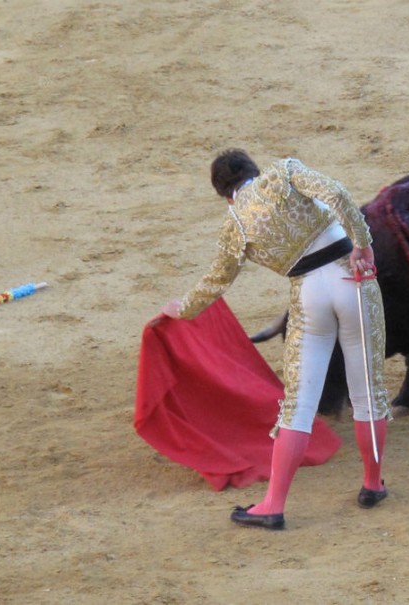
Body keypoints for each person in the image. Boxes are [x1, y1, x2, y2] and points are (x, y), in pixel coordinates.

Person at [162, 149, 390, 530]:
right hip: (352, 278)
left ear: (226, 193)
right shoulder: (283, 172)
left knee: (298, 405)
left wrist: (181, 309)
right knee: (368, 390)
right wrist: (362, 242)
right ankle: (371, 484)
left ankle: (273, 504)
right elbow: (335, 192)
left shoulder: (234, 223)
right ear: (254, 169)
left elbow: (216, 282)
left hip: (308, 295)